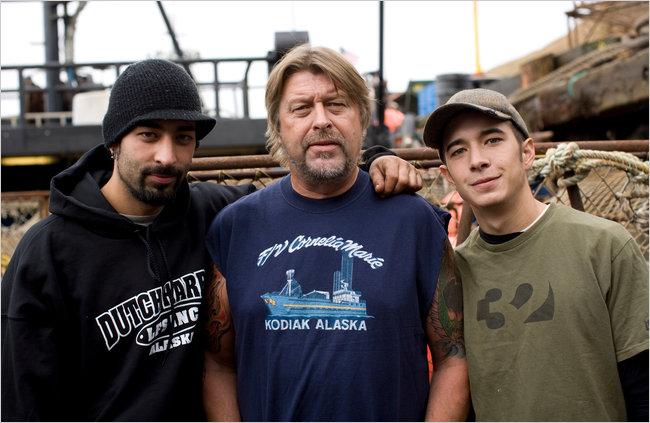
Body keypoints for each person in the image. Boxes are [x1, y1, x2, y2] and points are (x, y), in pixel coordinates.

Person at [1, 58, 422, 421]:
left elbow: (304, 193)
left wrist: (376, 158)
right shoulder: (48, 253)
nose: (167, 156)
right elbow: (22, 400)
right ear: (114, 141)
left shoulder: (213, 213)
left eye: (183, 137)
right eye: (148, 135)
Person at [202, 44, 470, 422]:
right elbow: (218, 364)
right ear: (277, 126)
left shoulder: (415, 223)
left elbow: (453, 358)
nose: (321, 120)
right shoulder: (235, 228)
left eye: (337, 105)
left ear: (362, 118)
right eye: (301, 108)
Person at [423, 88, 649, 421]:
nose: (477, 160)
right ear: (448, 176)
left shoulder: (604, 245)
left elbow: (643, 385)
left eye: (492, 140)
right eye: (459, 151)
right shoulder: (453, 273)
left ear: (527, 153)